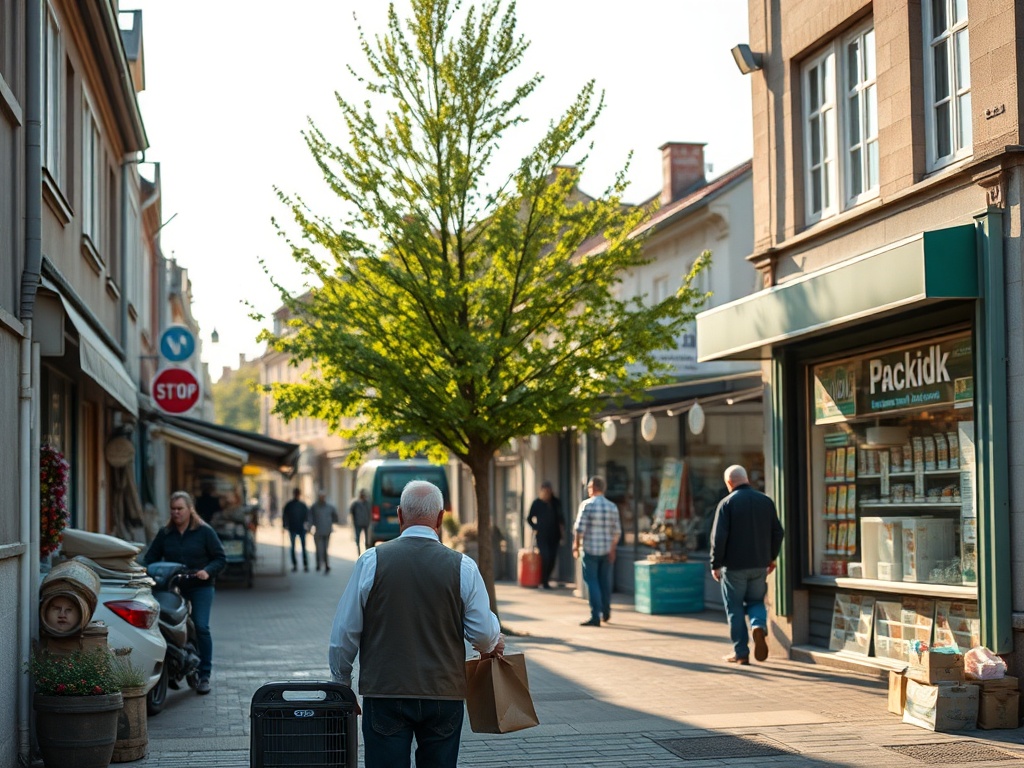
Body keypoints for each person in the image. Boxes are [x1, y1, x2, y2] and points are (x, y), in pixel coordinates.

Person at [329, 480, 504, 768]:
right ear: (440, 518)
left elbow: (344, 632)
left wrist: (341, 683)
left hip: (385, 691)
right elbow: (484, 636)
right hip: (443, 693)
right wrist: (494, 634)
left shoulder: (371, 561)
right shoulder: (463, 566)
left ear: (399, 515)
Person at [142, 490, 226, 694]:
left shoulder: (205, 532)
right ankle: (175, 665)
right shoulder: (165, 533)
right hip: (172, 587)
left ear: (190, 510)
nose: (176, 512)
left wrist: (207, 571)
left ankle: (204, 674)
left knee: (201, 626)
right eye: (173, 509)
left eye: (180, 509)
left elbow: (220, 558)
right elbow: (149, 559)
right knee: (165, 626)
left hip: (200, 587)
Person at [709, 464, 785, 666]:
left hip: (733, 567)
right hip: (760, 564)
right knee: (756, 601)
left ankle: (741, 653)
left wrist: (715, 564)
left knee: (734, 608)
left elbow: (719, 538)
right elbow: (778, 532)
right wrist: (771, 557)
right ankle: (758, 625)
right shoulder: (766, 501)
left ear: (728, 482)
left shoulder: (726, 504)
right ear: (747, 479)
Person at [572, 476, 621, 626]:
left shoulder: (587, 505)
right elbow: (617, 531)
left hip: (590, 549)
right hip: (607, 550)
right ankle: (605, 612)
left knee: (592, 582)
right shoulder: (612, 506)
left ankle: (595, 615)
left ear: (593, 488)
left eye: (589, 488)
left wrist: (576, 545)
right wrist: (612, 549)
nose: (588, 490)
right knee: (605, 581)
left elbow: (579, 529)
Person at [527, 480, 564, 589]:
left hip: (555, 535)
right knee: (545, 557)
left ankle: (546, 579)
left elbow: (561, 519)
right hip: (542, 535)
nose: (547, 493)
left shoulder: (556, 502)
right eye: (545, 491)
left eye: (549, 491)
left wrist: (562, 534)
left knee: (552, 558)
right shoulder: (537, 503)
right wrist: (536, 527)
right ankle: (543, 581)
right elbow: (529, 518)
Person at [310, 490, 338, 574]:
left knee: (325, 549)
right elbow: (310, 517)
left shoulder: (329, 507)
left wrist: (331, 522)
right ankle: (318, 564)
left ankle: (326, 565)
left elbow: (335, 516)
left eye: (323, 497)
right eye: (321, 496)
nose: (322, 498)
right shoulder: (314, 507)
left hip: (327, 531)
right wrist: (310, 526)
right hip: (318, 531)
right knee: (319, 549)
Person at [282, 488, 310, 572]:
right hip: (293, 528)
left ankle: (305, 564)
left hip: (301, 529)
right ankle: (295, 564)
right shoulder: (289, 505)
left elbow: (307, 516)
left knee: (303, 547)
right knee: (293, 547)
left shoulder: (302, 505)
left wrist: (307, 526)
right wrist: (285, 525)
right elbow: (285, 515)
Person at [349, 489, 371, 553]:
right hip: (358, 523)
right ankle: (359, 552)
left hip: (366, 523)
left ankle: (366, 551)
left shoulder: (367, 503)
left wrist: (369, 520)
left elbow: (369, 512)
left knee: (367, 540)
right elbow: (351, 512)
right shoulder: (355, 503)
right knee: (357, 539)